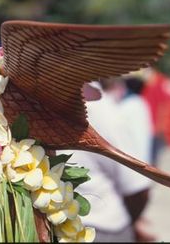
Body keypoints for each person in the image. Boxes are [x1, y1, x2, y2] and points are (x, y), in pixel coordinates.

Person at [57, 79, 154, 242]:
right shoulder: (101, 108)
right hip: (93, 227)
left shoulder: (98, 108)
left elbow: (137, 188)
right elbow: (137, 187)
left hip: (99, 230)